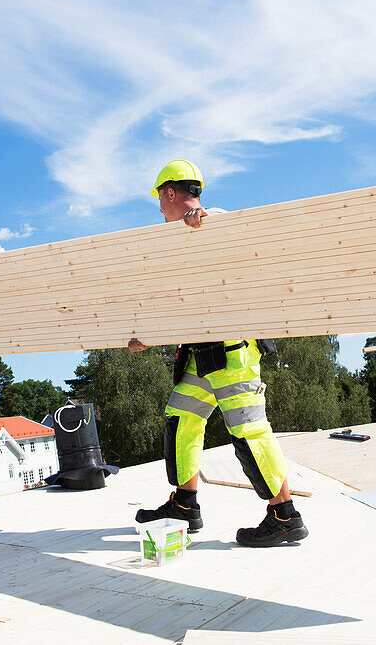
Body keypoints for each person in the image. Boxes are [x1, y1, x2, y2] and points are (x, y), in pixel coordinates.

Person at [129, 159, 308, 547]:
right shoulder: (173, 245)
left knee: (248, 431)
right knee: (181, 422)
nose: (159, 208)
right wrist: (149, 334)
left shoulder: (215, 222)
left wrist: (206, 220)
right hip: (199, 353)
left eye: (160, 198)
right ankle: (184, 505)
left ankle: (284, 515)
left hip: (232, 351)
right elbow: (179, 301)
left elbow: (240, 239)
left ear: (171, 192)